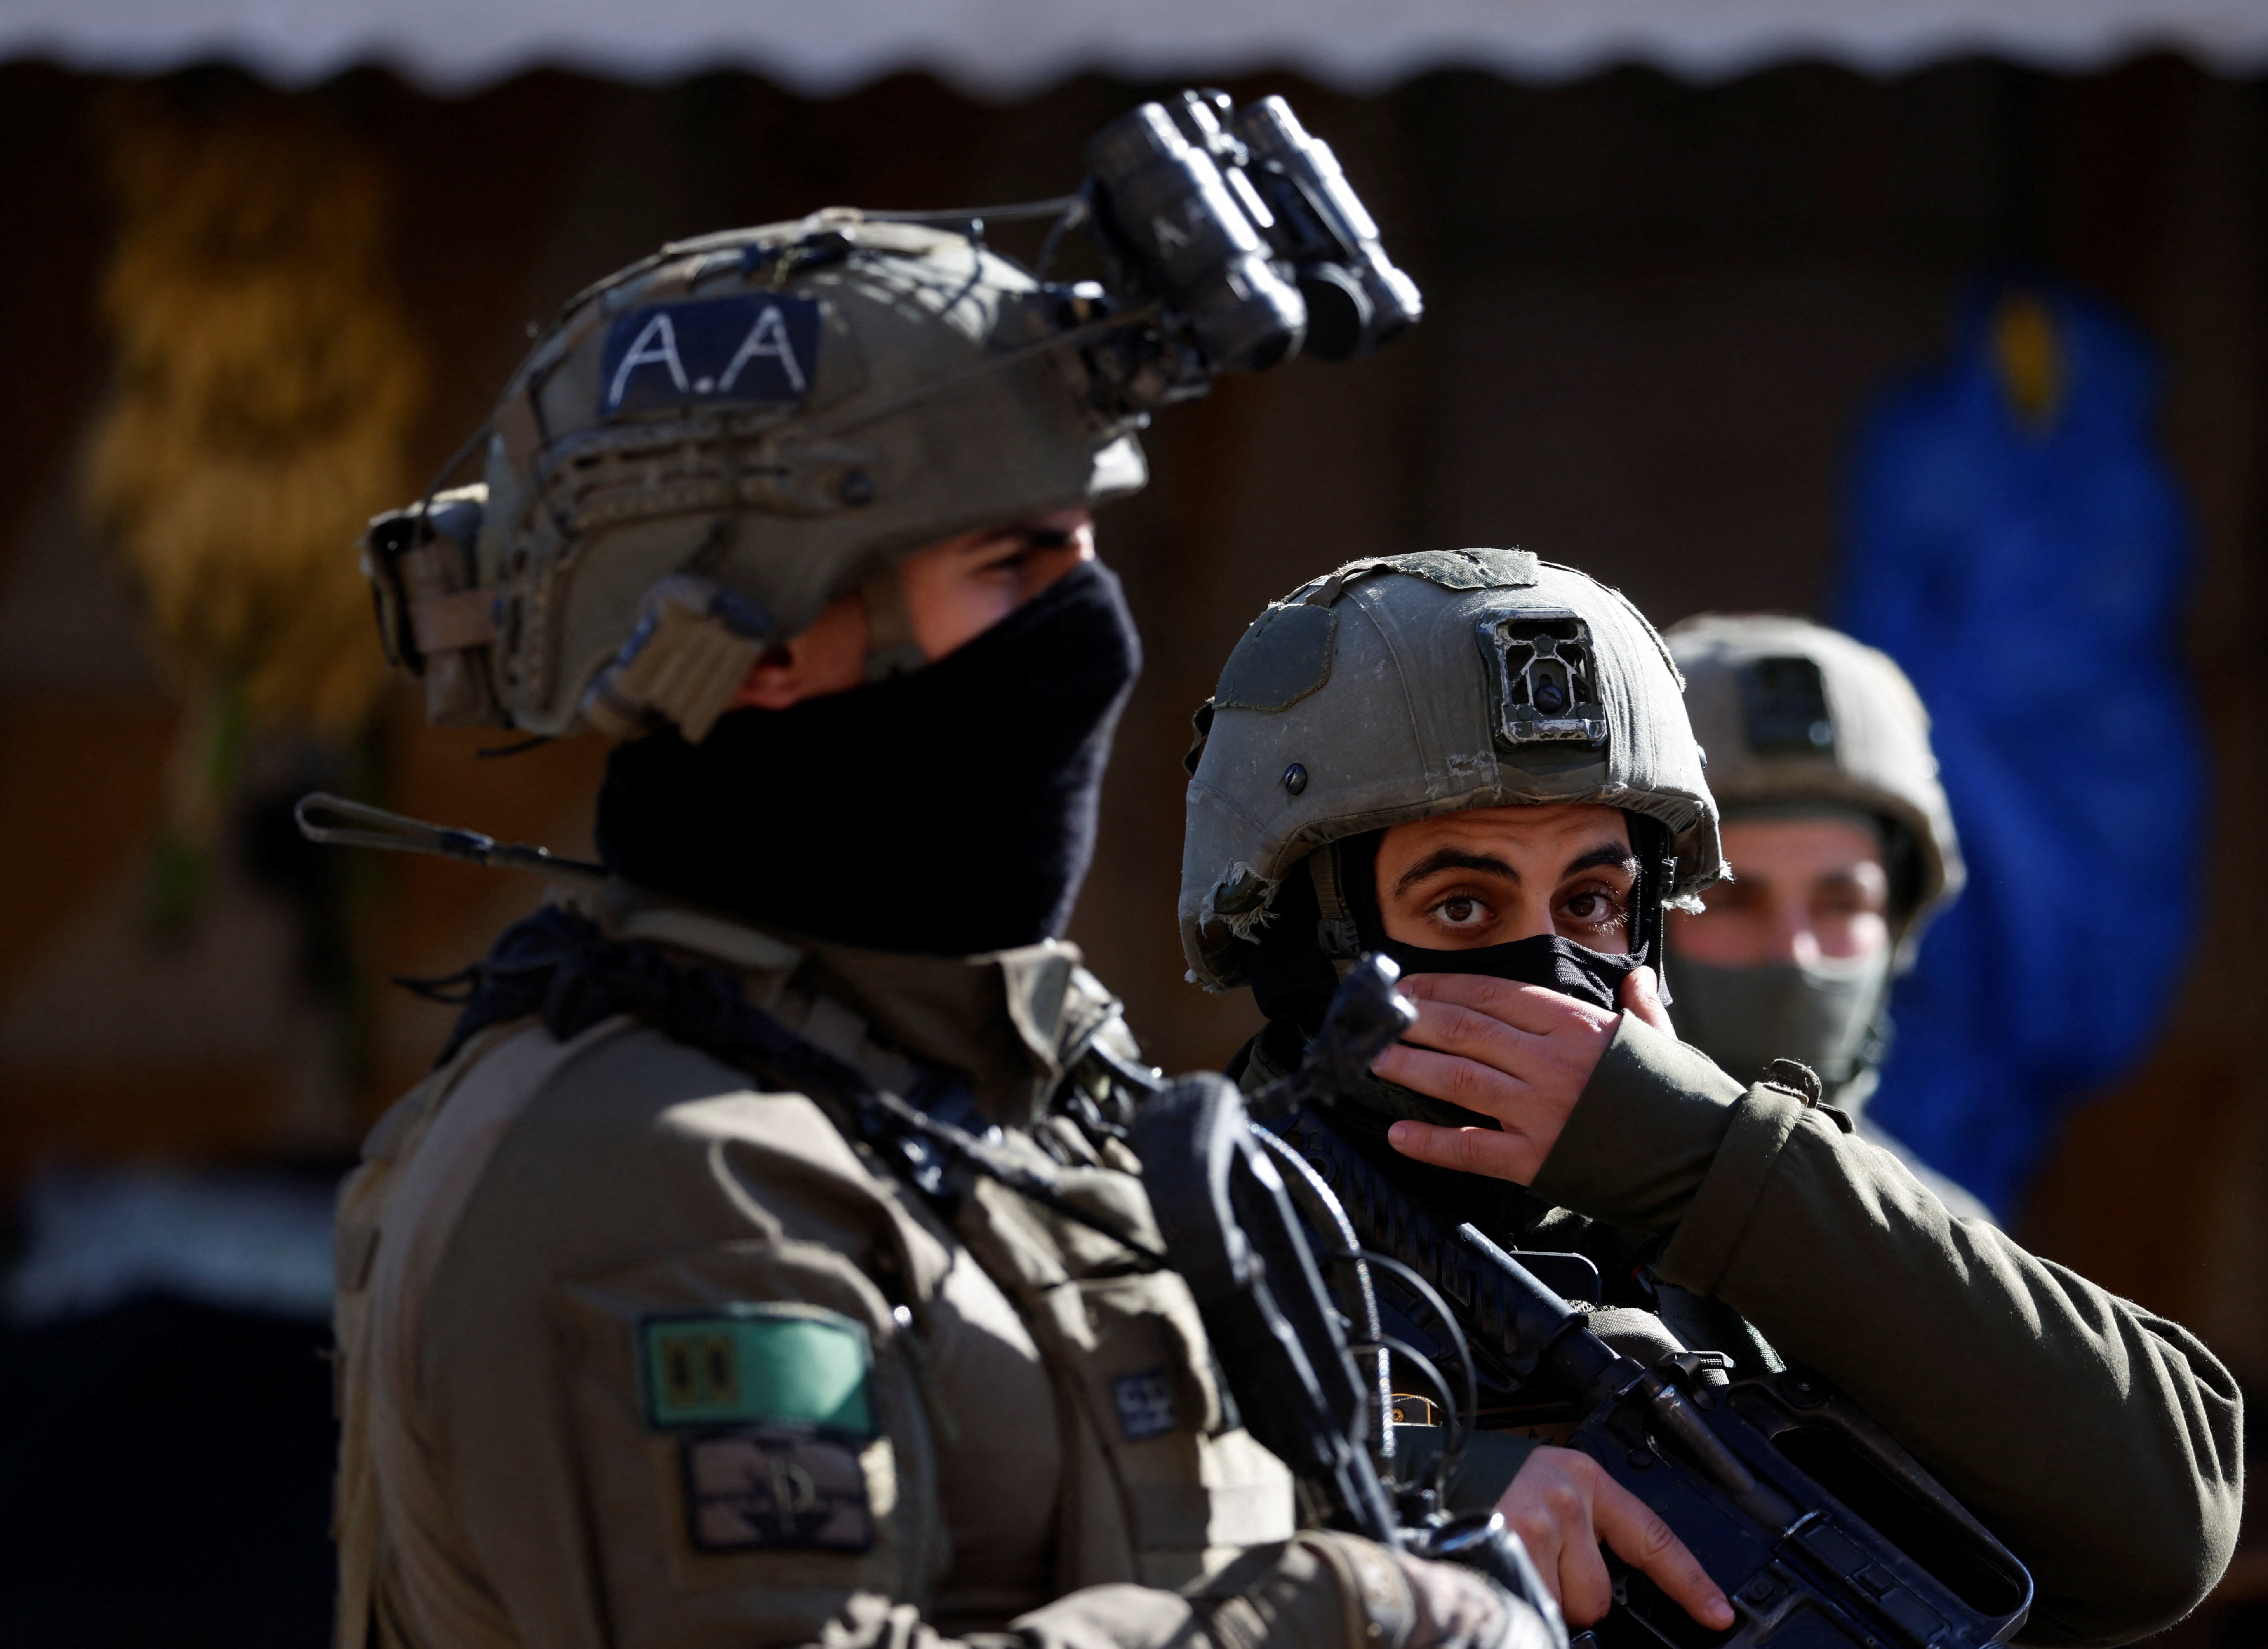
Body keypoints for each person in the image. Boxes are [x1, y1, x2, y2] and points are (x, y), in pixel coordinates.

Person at [329, 217, 1556, 1649]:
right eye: (1010, 568)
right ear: (759, 649)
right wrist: (1344, 1619)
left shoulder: (991, 1085)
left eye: (1084, 549)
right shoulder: (662, 1169)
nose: (1089, 627)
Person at [1179, 551, 2242, 1646]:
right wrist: (1409, 1504)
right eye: (1461, 907)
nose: (1545, 968)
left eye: (1592, 901)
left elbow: (2167, 1524)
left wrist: (1705, 1162)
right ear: (1305, 940)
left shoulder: (1745, 1229)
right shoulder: (1168, 1223)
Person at [1659, 613, 1991, 1222]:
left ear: (1896, 926)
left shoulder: (1942, 1244)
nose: (1796, 953)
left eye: (1841, 905)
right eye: (1731, 900)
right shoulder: (1527, 1232)